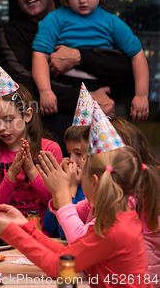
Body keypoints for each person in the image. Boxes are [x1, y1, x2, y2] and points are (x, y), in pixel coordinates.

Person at [0, 0, 133, 146]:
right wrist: (86, 98)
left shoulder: (87, 15)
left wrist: (79, 57)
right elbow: (23, 88)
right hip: (53, 141)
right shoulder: (10, 35)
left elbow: (124, 66)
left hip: (103, 132)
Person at [0, 145, 158, 288]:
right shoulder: (121, 218)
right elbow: (67, 255)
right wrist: (23, 225)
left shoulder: (113, 229)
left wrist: (9, 232)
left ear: (93, 182)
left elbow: (59, 267)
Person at [32, 0, 149, 123]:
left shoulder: (111, 22)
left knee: (101, 144)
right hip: (64, 88)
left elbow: (137, 55)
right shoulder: (55, 19)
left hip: (99, 90)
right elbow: (39, 55)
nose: (82, 0)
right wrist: (45, 91)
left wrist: (141, 95)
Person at [45, 117, 160, 284]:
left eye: (86, 156)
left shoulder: (129, 201)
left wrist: (63, 194)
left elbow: (79, 241)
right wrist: (59, 192)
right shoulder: (111, 192)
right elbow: (69, 216)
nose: (80, 162)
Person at [0, 78, 62, 226]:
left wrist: (31, 170)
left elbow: (56, 201)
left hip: (47, 234)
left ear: (27, 115)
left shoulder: (50, 150)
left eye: (8, 119)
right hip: (9, 236)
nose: (2, 128)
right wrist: (11, 174)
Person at [42, 125, 86, 238]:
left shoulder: (93, 192)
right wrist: (56, 190)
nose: (71, 160)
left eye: (78, 153)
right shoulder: (72, 180)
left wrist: (70, 188)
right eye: (69, 152)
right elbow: (50, 229)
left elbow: (65, 233)